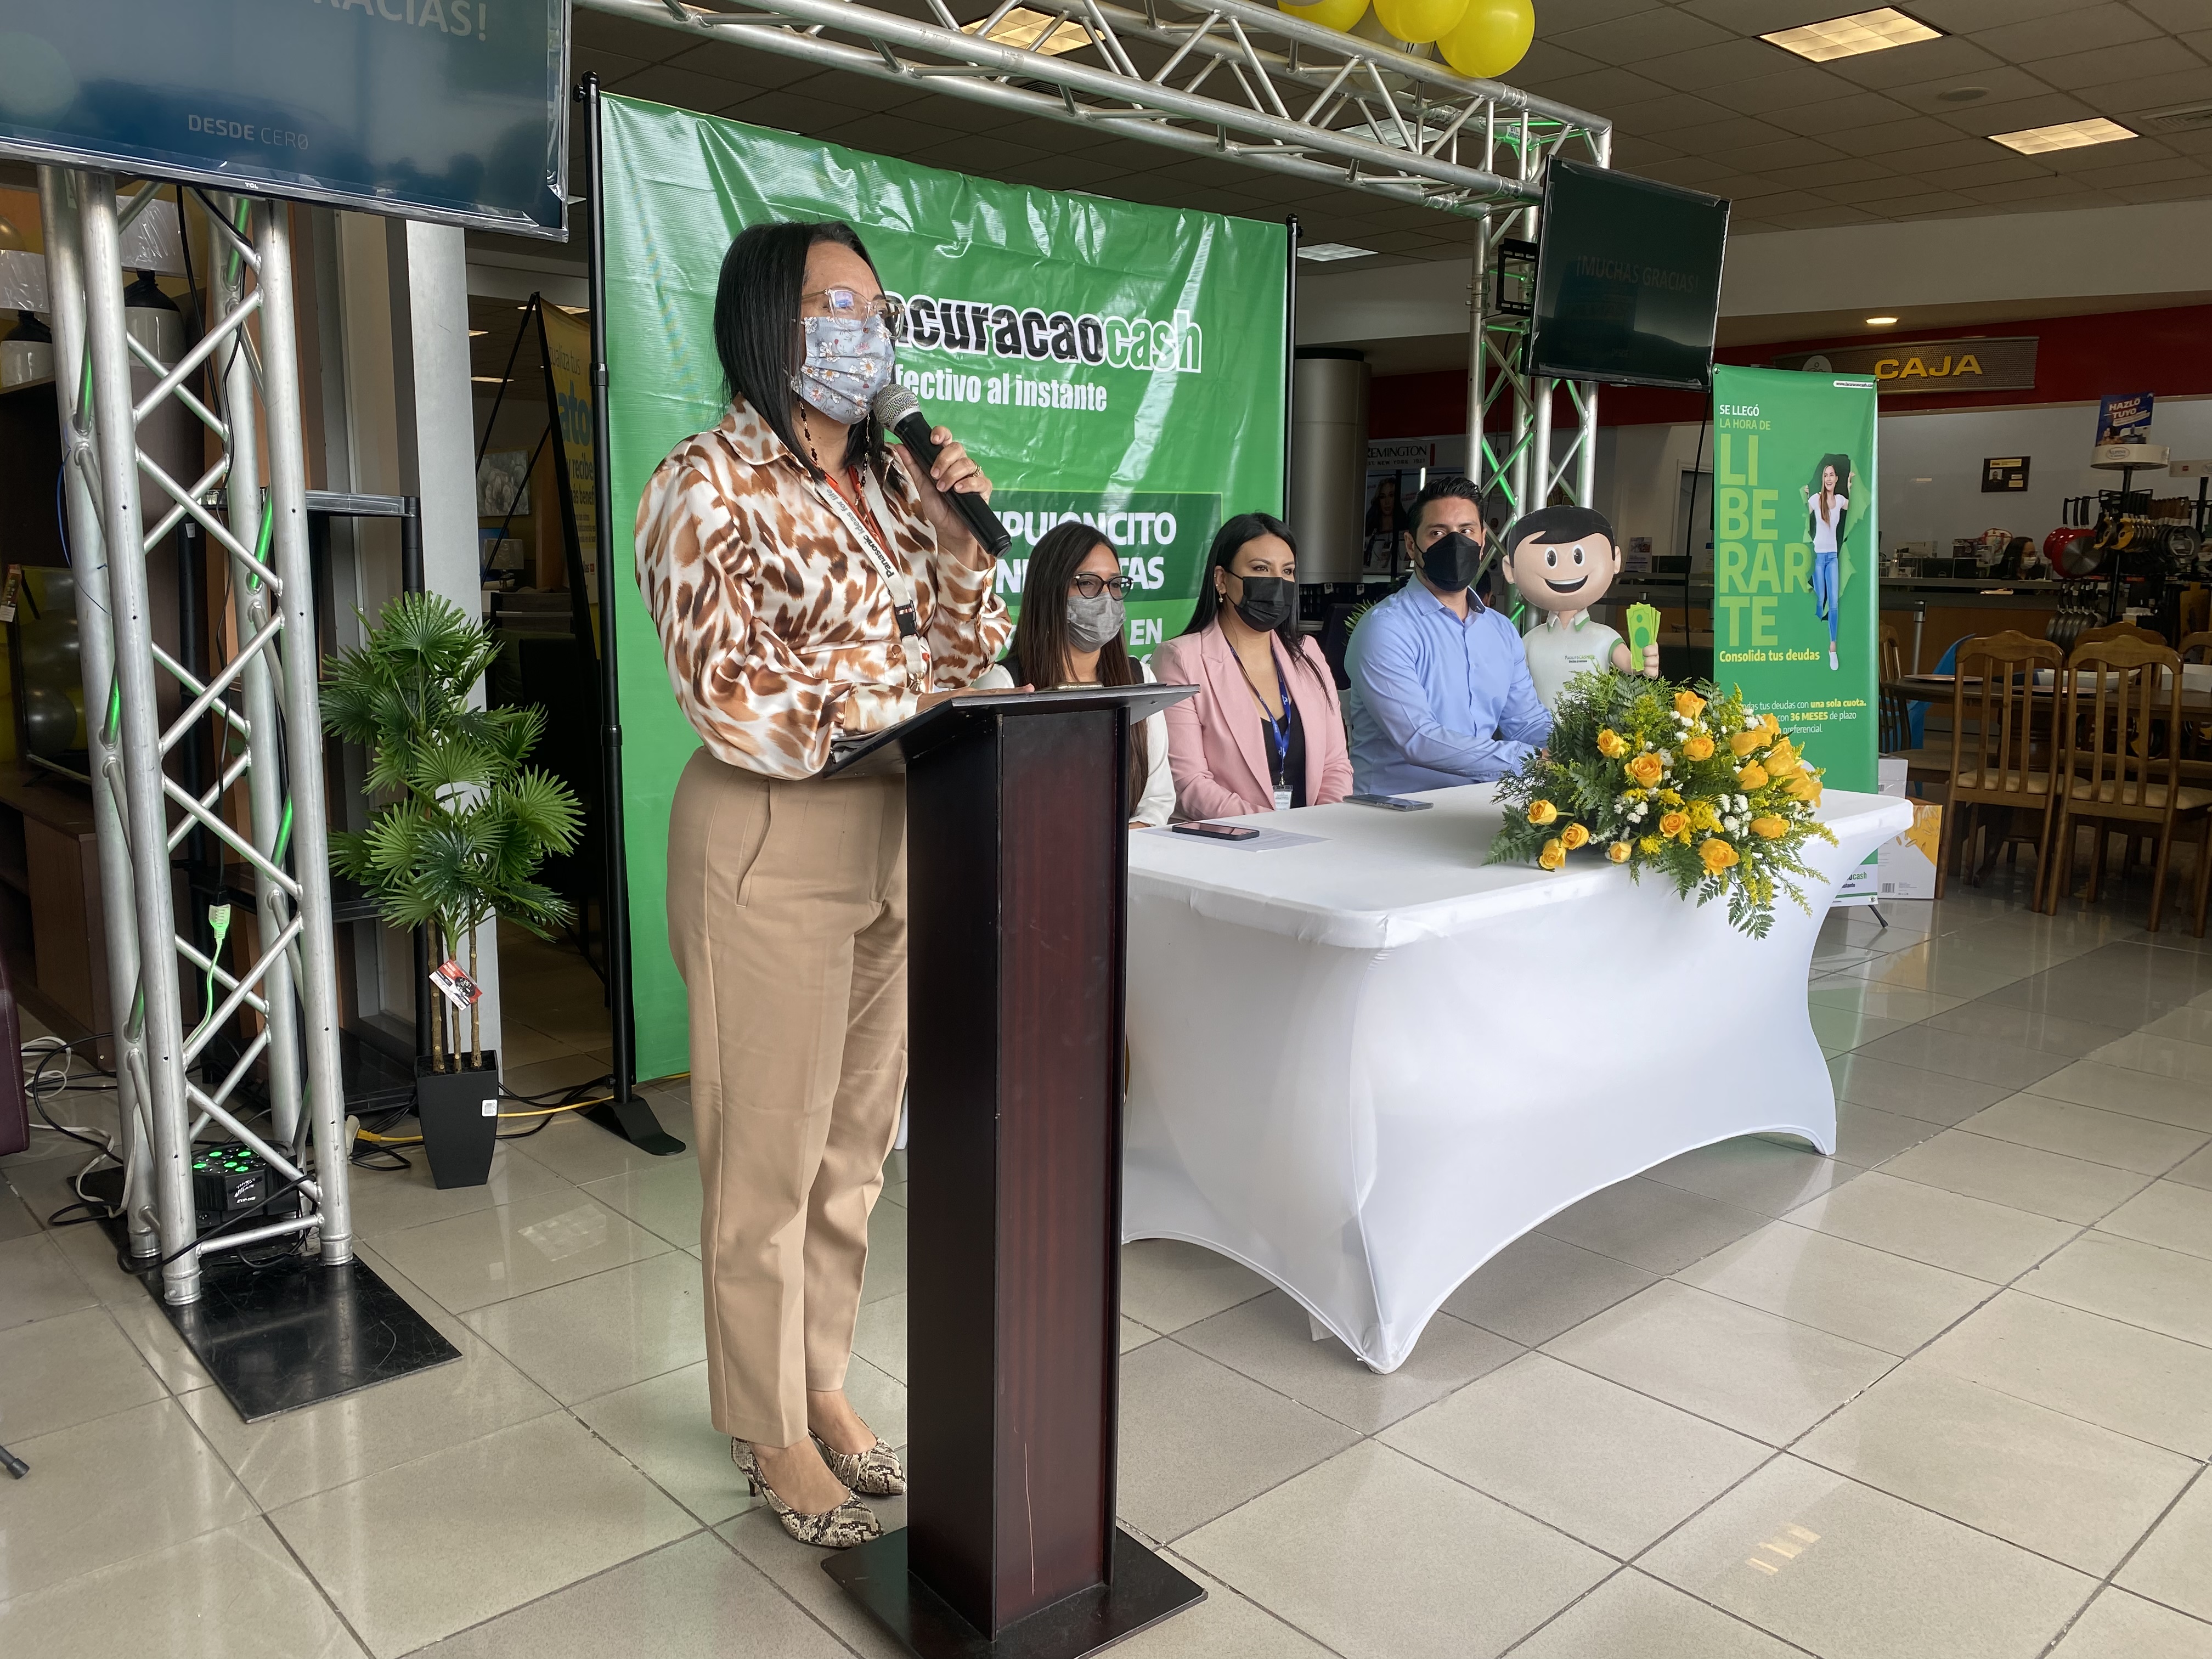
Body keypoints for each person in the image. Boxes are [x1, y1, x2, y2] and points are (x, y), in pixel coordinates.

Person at [634, 219, 1012, 1549]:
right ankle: (767, 1429)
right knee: (768, 1155)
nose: (864, 330)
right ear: (765, 320)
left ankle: (823, 1382)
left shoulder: (896, 483)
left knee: (853, 1152)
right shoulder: (703, 484)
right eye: (832, 306)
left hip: (903, 829)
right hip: (773, 833)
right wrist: (890, 712)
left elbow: (965, 659)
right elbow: (731, 690)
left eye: (875, 308)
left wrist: (959, 542)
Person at [1344, 476, 1550, 793]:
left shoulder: (1501, 630)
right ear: (1411, 545)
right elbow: (1418, 739)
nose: (1455, 544)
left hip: (1479, 802)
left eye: (1466, 531)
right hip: (1396, 810)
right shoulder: (1386, 629)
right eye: (1438, 533)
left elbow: (1527, 722)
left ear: (1482, 541)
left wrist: (1581, 749)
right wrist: (1531, 760)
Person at [974, 522, 1176, 827]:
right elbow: (989, 810)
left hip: (1132, 851)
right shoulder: (1004, 685)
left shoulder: (1139, 678)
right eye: (1088, 583)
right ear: (1050, 590)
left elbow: (1157, 801)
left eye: (1115, 584)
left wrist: (1116, 844)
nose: (1106, 597)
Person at [1152, 512, 1352, 819]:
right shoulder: (1180, 659)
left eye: (1287, 571)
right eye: (1261, 568)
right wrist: (1272, 830)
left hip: (1314, 838)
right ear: (1221, 580)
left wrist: (1323, 824)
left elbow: (1335, 764)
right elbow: (1189, 783)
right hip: (1229, 839)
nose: (1277, 583)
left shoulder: (1307, 653)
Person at [1499, 504, 1660, 711]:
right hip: (1540, 729)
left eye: (1578, 557)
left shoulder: (1605, 637)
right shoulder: (1530, 641)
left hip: (1593, 730)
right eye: (1551, 559)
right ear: (1510, 570)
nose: (1565, 572)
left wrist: (1645, 660)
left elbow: (1631, 664)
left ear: (1616, 560)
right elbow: (1510, 682)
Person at [1805, 455, 1852, 672]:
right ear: (1823, 480)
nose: (1829, 478)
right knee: (1820, 598)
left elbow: (1853, 507)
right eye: (1826, 475)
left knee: (1834, 602)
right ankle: (1814, 635)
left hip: (1832, 557)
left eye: (1832, 475)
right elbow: (1801, 514)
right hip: (1818, 556)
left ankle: (1832, 647)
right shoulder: (1816, 499)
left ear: (1836, 479)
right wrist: (1805, 495)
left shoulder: (1840, 500)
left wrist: (1850, 488)